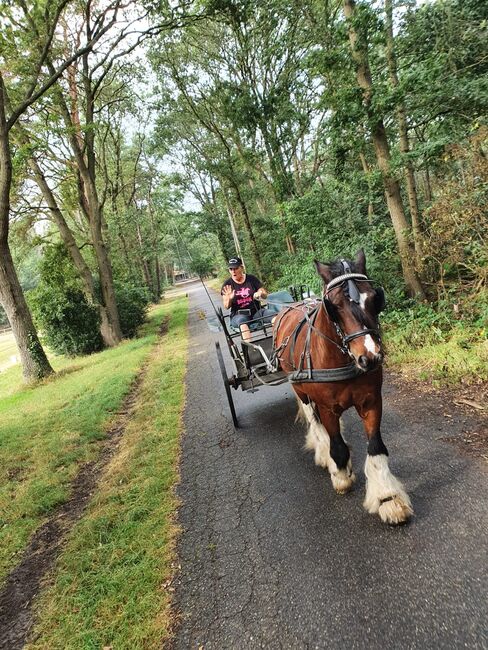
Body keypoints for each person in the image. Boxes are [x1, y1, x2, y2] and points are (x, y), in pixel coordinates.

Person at [221, 257, 275, 341]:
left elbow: (264, 294)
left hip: (257, 311)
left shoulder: (251, 279)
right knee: (243, 324)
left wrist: (260, 293)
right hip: (239, 315)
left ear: (241, 268)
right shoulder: (227, 284)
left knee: (274, 316)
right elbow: (226, 306)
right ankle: (249, 351)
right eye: (231, 269)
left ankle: (278, 343)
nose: (233, 271)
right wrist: (230, 299)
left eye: (235, 268)